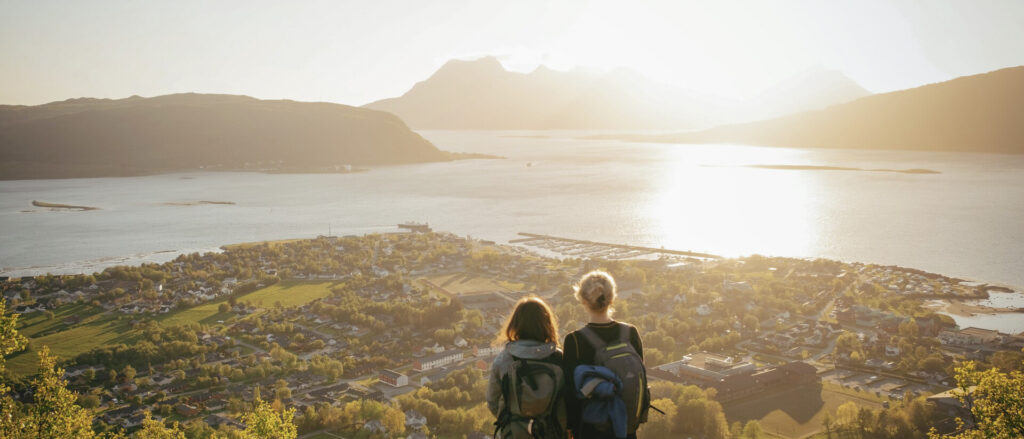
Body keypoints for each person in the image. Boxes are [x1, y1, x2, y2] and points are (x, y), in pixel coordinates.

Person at [563, 271, 645, 439]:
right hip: (626, 428)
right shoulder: (630, 333)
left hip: (589, 430)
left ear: (583, 301)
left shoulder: (575, 341)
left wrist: (570, 427)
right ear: (612, 299)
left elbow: (570, 394)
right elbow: (640, 378)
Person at [487, 296, 567, 439]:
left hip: (513, 433)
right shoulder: (559, 359)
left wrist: (514, 421)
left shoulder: (505, 359)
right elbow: (566, 402)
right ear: (547, 324)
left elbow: (493, 401)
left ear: (515, 324)